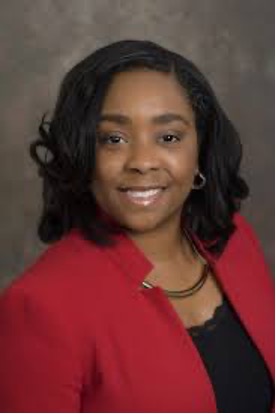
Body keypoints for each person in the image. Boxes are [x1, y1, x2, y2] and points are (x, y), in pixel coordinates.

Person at [0, 39, 274, 413]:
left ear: (201, 149)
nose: (143, 162)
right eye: (113, 139)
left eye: (169, 137)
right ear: (82, 153)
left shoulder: (235, 238)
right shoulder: (39, 307)